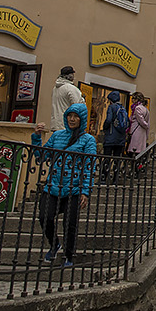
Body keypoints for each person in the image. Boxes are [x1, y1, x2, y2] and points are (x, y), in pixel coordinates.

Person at [30, 102, 97, 268]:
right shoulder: (57, 136)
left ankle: (68, 255)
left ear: (82, 119)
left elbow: (89, 166)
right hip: (53, 186)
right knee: (44, 217)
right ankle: (54, 244)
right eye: (70, 116)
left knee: (70, 223)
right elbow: (43, 156)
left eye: (76, 117)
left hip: (73, 189)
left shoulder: (88, 140)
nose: (72, 119)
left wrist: (85, 191)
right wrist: (36, 138)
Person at [100, 92, 130, 183]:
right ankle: (115, 179)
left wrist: (105, 128)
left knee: (107, 158)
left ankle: (104, 178)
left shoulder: (111, 107)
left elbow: (108, 120)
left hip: (111, 136)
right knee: (117, 159)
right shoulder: (123, 108)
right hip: (120, 138)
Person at [126, 91, 151, 158]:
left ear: (136, 99)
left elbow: (141, 121)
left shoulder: (137, 108)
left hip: (137, 132)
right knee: (138, 151)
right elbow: (148, 122)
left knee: (134, 150)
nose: (132, 101)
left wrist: (145, 125)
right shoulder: (145, 109)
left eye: (133, 99)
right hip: (142, 133)